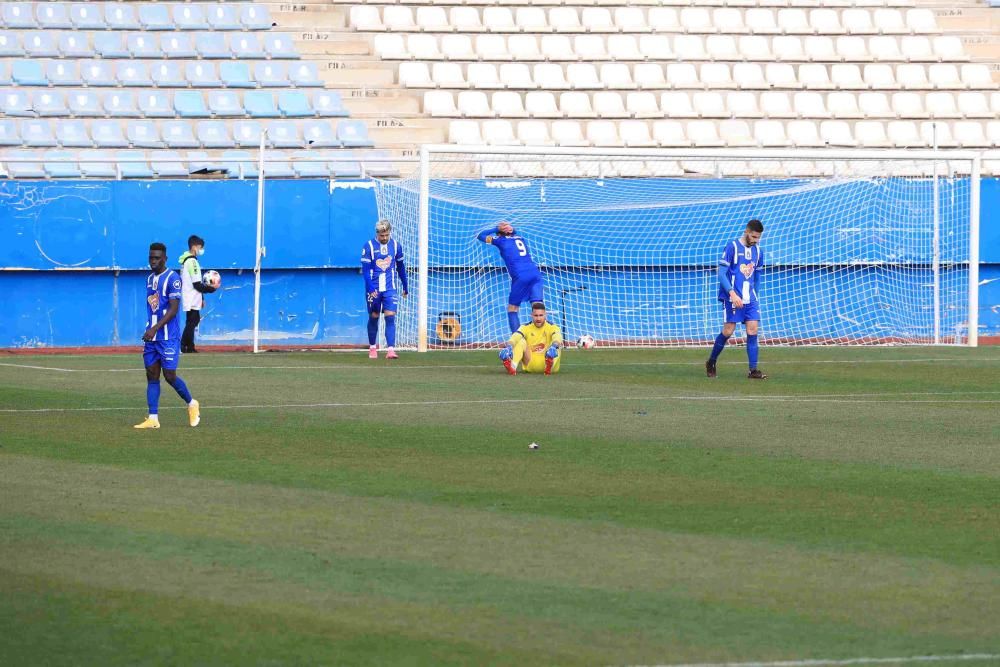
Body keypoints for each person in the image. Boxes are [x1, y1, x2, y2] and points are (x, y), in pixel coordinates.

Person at [134, 242, 201, 429]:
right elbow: (153, 305)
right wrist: (151, 328)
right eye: (151, 258)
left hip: (168, 336)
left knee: (170, 376)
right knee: (151, 375)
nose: (153, 261)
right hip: (152, 337)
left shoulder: (173, 278)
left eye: (157, 258)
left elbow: (173, 309)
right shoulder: (149, 279)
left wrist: (155, 328)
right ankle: (153, 418)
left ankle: (191, 403)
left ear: (165, 259)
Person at [706, 219, 768, 380]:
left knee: (753, 329)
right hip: (733, 296)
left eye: (758, 238)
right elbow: (721, 273)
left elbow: (758, 275)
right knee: (728, 331)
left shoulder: (759, 251)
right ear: (747, 232)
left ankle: (753, 370)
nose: (756, 240)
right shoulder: (732, 247)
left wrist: (756, 294)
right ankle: (711, 361)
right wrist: (732, 294)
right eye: (754, 237)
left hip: (750, 298)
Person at [477, 221, 543, 333]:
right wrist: (509, 228)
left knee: (512, 309)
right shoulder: (520, 238)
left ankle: (518, 341)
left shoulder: (500, 240)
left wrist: (496, 228)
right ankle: (544, 338)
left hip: (521, 276)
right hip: (535, 273)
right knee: (538, 307)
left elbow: (480, 236)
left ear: (499, 233)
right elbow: (513, 232)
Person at [361, 219, 408, 359]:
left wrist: (405, 285)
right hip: (374, 288)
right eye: (382, 235)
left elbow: (400, 267)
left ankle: (391, 350)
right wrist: (370, 288)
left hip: (390, 288)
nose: (385, 238)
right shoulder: (368, 246)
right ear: (377, 233)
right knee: (374, 317)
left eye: (387, 235)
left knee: (390, 317)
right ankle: (372, 348)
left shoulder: (396, 246)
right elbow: (365, 270)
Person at [499, 302, 562, 376]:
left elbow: (557, 336)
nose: (538, 318)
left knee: (557, 344)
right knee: (520, 341)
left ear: (545, 315)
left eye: (541, 315)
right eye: (536, 315)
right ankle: (512, 367)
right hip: (530, 363)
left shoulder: (552, 327)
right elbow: (515, 336)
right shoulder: (525, 327)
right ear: (531, 315)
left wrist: (554, 346)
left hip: (548, 362)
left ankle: (549, 365)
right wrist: (509, 347)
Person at [178, 234, 216, 354]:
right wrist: (211, 289)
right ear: (194, 247)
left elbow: (197, 280)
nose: (201, 250)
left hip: (193, 295)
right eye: (200, 247)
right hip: (191, 295)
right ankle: (183, 345)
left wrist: (202, 297)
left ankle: (190, 346)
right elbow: (197, 284)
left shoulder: (186, 260)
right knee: (192, 321)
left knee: (192, 320)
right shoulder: (192, 262)